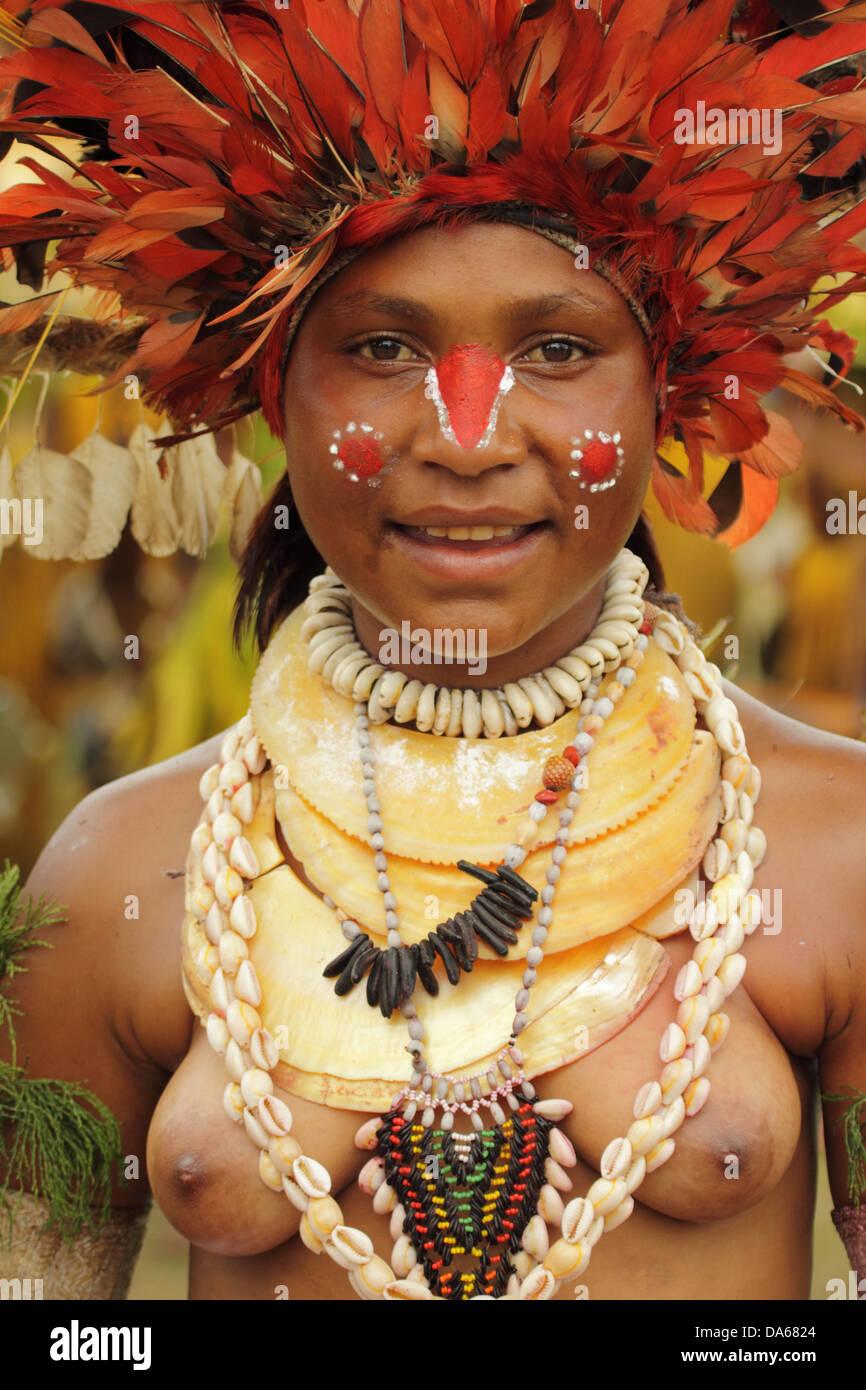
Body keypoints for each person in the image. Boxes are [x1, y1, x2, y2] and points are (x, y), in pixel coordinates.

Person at [1, 0, 865, 1301]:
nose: (466, 435)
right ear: (270, 394)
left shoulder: (832, 848)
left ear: (665, 390)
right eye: (382, 347)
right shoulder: (121, 868)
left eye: (559, 347)